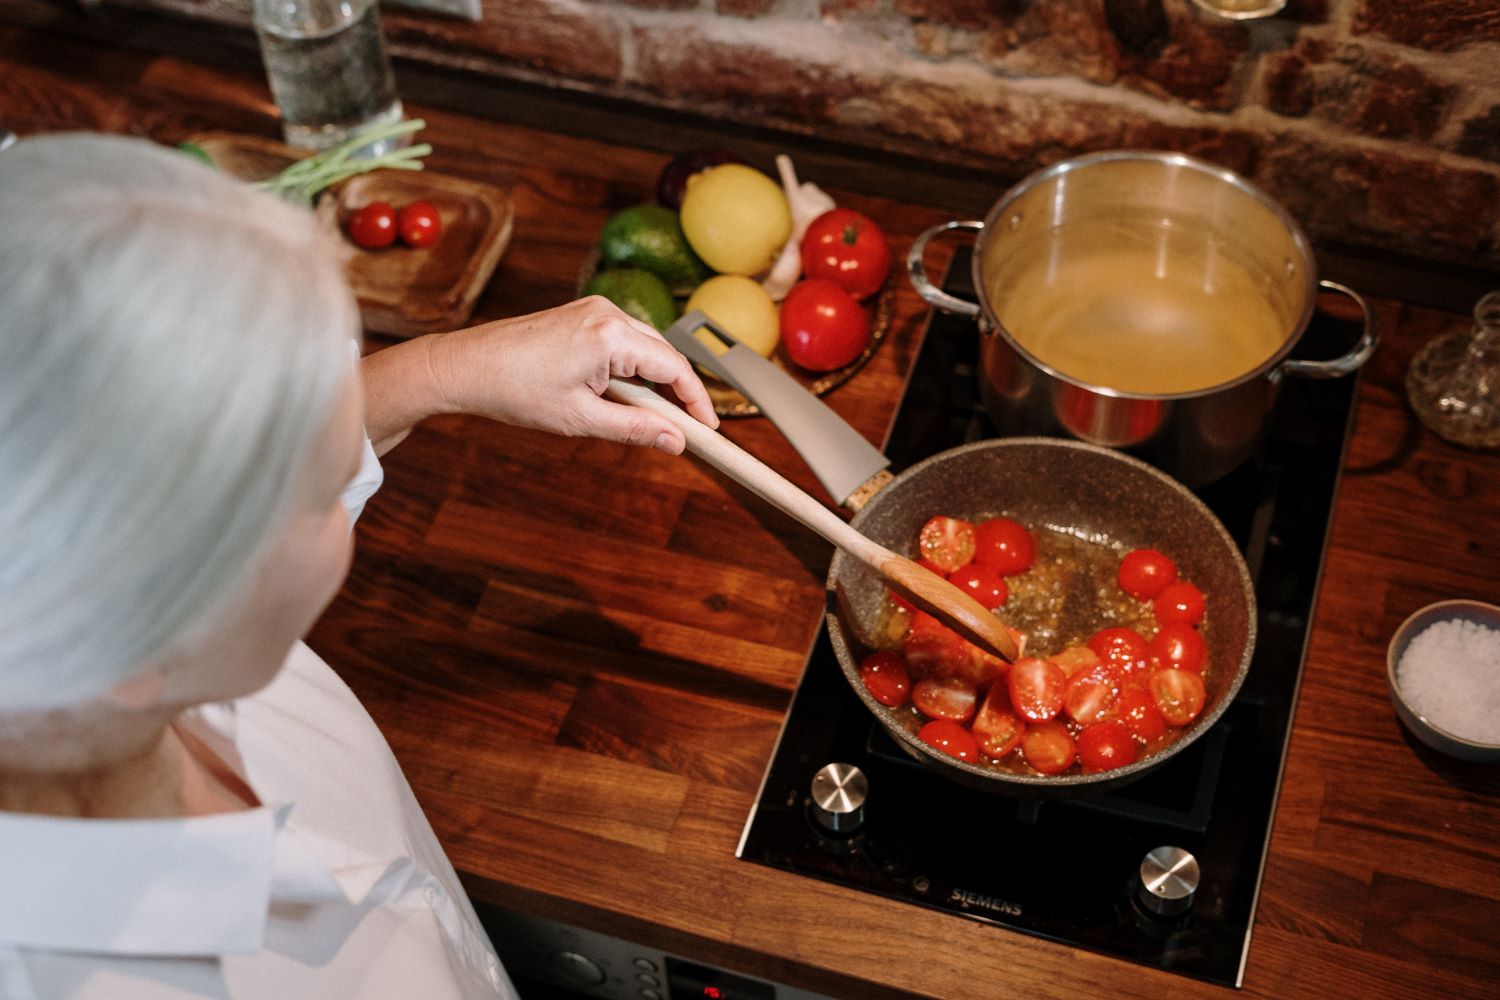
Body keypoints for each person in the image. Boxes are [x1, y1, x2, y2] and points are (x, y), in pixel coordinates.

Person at [0, 132, 716, 999]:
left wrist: (445, 369)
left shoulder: (103, 642)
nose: (337, 458)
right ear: (125, 634)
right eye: (307, 475)